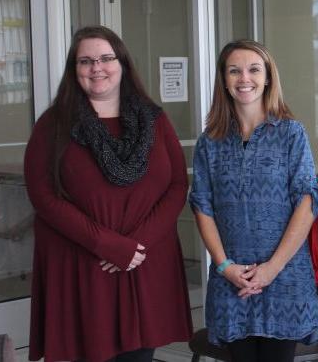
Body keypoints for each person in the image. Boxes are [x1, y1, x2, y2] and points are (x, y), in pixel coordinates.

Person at [24, 26, 192, 362]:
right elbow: (43, 195)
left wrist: (136, 245)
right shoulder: (53, 124)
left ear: (123, 63)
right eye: (85, 61)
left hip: (144, 262)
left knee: (139, 356)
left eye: (105, 58)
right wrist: (108, 245)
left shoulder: (155, 120)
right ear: (75, 71)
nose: (96, 68)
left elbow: (177, 185)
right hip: (83, 264)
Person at [189, 39, 318, 362]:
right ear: (224, 79)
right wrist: (225, 266)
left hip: (285, 277)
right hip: (231, 279)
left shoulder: (291, 133)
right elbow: (201, 206)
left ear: (267, 78)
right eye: (234, 71)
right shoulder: (210, 142)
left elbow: (307, 202)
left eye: (253, 70)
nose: (244, 78)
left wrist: (271, 269)